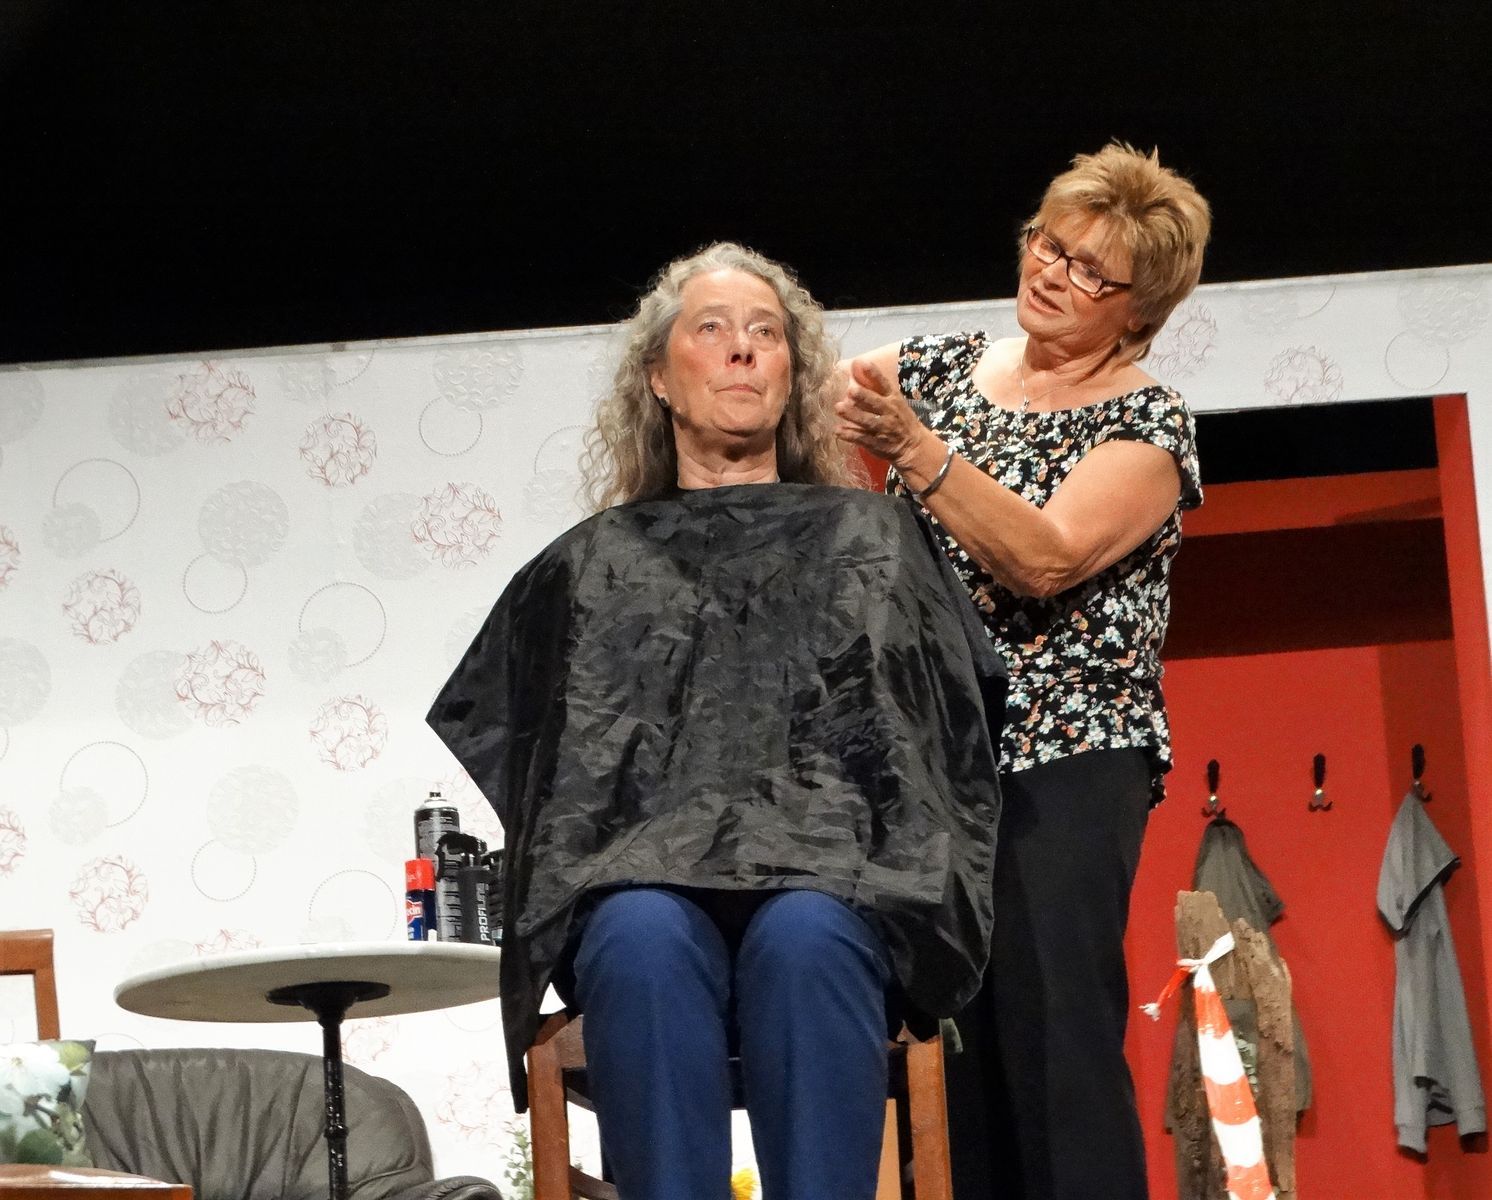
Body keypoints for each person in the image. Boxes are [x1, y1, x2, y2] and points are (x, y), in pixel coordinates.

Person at [427, 242, 1007, 1200]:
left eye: (766, 333)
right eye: (712, 328)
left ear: (791, 376)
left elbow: (940, 743)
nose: (742, 349)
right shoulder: (587, 566)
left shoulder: (874, 541)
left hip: (835, 886)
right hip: (643, 890)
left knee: (807, 937)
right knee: (639, 936)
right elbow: (537, 768)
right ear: (658, 377)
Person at [835, 142, 1211, 1200]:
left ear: (1137, 310)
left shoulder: (1147, 421)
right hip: (935, 759)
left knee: (1055, 1033)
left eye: (1092, 271)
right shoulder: (941, 369)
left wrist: (918, 453)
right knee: (950, 1039)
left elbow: (1047, 557)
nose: (1052, 273)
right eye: (1049, 244)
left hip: (1069, 755)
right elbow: (796, 401)